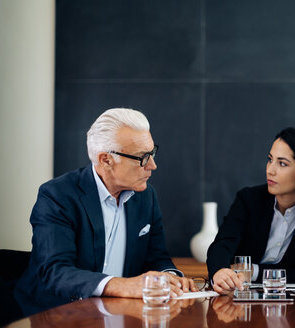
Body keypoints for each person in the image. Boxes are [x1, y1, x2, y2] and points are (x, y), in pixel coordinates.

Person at [15, 108, 197, 315]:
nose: (153, 165)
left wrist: (170, 276)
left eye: (152, 153)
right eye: (142, 157)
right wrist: (123, 285)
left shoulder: (146, 196)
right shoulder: (57, 195)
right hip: (56, 314)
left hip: (120, 313)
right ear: (105, 160)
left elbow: (157, 258)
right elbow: (55, 272)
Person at [207, 127, 295, 294]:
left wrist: (251, 272)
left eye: (282, 163)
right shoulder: (248, 199)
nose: (270, 170)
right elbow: (222, 245)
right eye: (270, 160)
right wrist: (220, 271)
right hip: (245, 295)